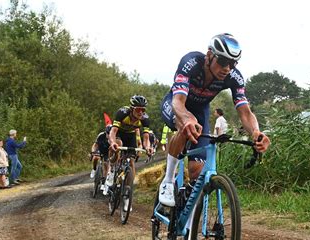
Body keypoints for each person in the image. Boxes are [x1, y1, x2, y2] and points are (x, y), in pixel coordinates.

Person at [158, 33, 271, 207]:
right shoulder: (191, 62)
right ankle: (167, 181)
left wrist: (256, 132)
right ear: (209, 55)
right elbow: (178, 101)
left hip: (201, 110)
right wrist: (185, 117)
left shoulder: (234, 77)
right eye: (223, 61)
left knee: (197, 173)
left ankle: (189, 221)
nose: (228, 68)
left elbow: (245, 113)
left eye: (233, 63)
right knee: (186, 123)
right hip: (176, 104)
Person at [106, 95, 154, 191]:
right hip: (119, 133)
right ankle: (111, 171)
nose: (141, 112)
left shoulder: (145, 119)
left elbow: (146, 137)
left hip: (130, 135)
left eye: (143, 110)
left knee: (131, 160)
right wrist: (112, 142)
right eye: (138, 109)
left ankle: (129, 189)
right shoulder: (122, 112)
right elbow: (113, 131)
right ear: (132, 109)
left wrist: (148, 147)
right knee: (118, 144)